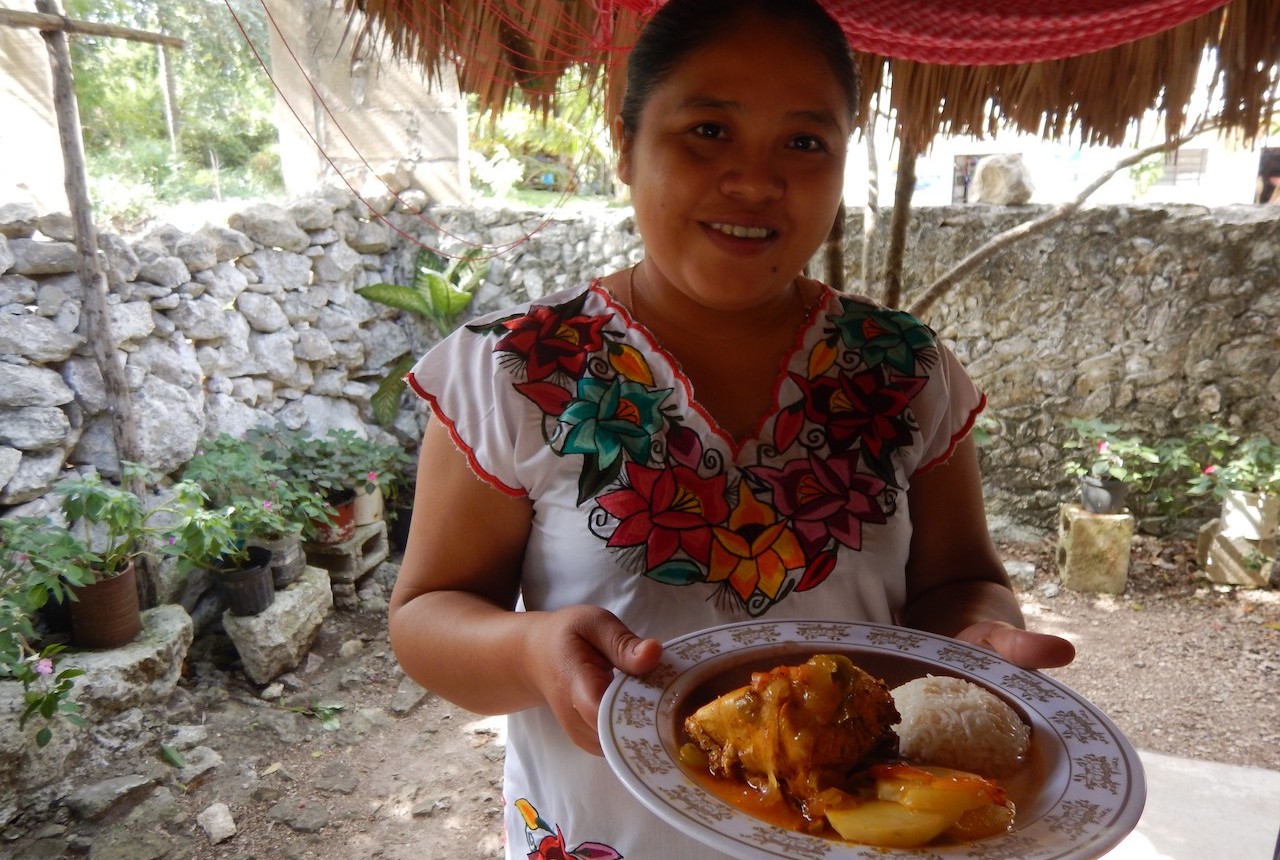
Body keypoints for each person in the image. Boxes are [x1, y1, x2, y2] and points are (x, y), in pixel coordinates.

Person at [392, 0, 1076, 855]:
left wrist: (976, 640)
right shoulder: (515, 371)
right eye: (708, 130)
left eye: (803, 142)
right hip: (607, 831)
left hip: (858, 831)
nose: (755, 181)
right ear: (626, 141)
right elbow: (427, 615)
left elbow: (960, 582)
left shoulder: (907, 371)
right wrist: (530, 650)